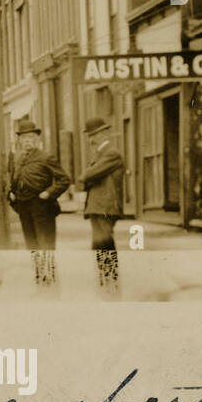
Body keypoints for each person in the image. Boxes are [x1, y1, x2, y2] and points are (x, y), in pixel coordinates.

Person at [7, 116, 71, 288]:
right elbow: (14, 180)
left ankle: (50, 281)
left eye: (31, 138)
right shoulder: (18, 160)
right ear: (19, 141)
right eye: (24, 138)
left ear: (36, 140)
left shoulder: (46, 157)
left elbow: (64, 180)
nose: (27, 142)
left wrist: (49, 193)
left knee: (45, 243)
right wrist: (11, 193)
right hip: (24, 207)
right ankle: (40, 280)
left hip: (42, 207)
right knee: (31, 244)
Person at [79, 117, 124, 296]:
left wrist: (84, 177)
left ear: (105, 133)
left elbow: (90, 174)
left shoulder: (111, 153)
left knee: (104, 242)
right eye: (90, 135)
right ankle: (106, 281)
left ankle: (110, 281)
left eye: (94, 134)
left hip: (106, 206)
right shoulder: (101, 153)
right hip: (98, 206)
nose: (91, 139)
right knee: (99, 243)